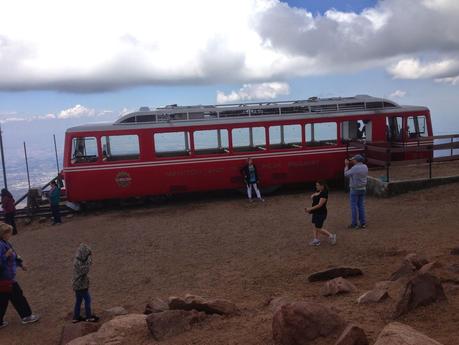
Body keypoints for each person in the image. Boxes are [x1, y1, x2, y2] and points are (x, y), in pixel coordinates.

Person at [0, 223, 40, 329]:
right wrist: (5, 256)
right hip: (5, 277)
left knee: (3, 299)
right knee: (17, 296)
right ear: (2, 234)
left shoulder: (6, 243)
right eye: (8, 233)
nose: (10, 235)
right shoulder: (1, 245)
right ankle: (26, 316)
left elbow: (14, 255)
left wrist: (21, 263)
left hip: (6, 277)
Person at [72, 243, 98, 323]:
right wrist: (89, 261)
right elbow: (85, 270)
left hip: (77, 285)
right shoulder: (78, 263)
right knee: (87, 300)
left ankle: (76, 317)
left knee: (78, 301)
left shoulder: (77, 260)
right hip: (81, 285)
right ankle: (88, 317)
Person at [305, 181, 336, 246]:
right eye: (316, 185)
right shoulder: (319, 192)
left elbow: (320, 205)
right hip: (316, 212)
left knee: (318, 228)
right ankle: (316, 240)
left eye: (318, 185)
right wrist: (313, 196)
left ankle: (331, 236)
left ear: (322, 186)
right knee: (314, 225)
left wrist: (310, 209)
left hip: (321, 213)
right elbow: (314, 196)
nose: (316, 186)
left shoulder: (324, 194)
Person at [344, 154, 369, 229]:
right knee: (361, 206)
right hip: (363, 188)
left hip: (354, 189)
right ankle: (363, 223)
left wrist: (346, 165)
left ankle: (354, 223)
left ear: (356, 160)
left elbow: (346, 174)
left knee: (353, 206)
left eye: (354, 159)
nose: (352, 160)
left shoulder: (354, 168)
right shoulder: (365, 167)